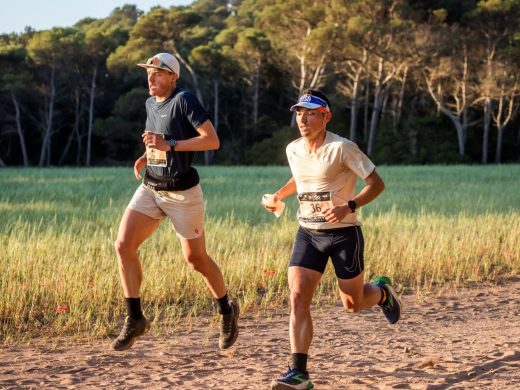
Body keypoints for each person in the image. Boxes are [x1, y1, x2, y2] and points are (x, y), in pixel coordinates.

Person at [264, 90, 401, 390]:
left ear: (326, 116)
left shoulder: (342, 148)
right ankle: (298, 372)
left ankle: (381, 293)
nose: (303, 118)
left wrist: (348, 206)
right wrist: (278, 195)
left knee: (352, 304)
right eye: (299, 112)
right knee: (298, 298)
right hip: (308, 234)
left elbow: (376, 184)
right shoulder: (293, 149)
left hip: (344, 236)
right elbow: (300, 180)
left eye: (311, 112)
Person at [111, 52, 239, 352]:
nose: (151, 78)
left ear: (173, 77)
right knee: (123, 245)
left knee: (195, 260)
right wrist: (148, 155)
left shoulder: (185, 100)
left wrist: (169, 144)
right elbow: (160, 138)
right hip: (152, 188)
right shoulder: (149, 102)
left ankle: (226, 309)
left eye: (158, 72)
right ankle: (135, 319)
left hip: (183, 194)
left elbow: (212, 140)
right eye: (148, 73)